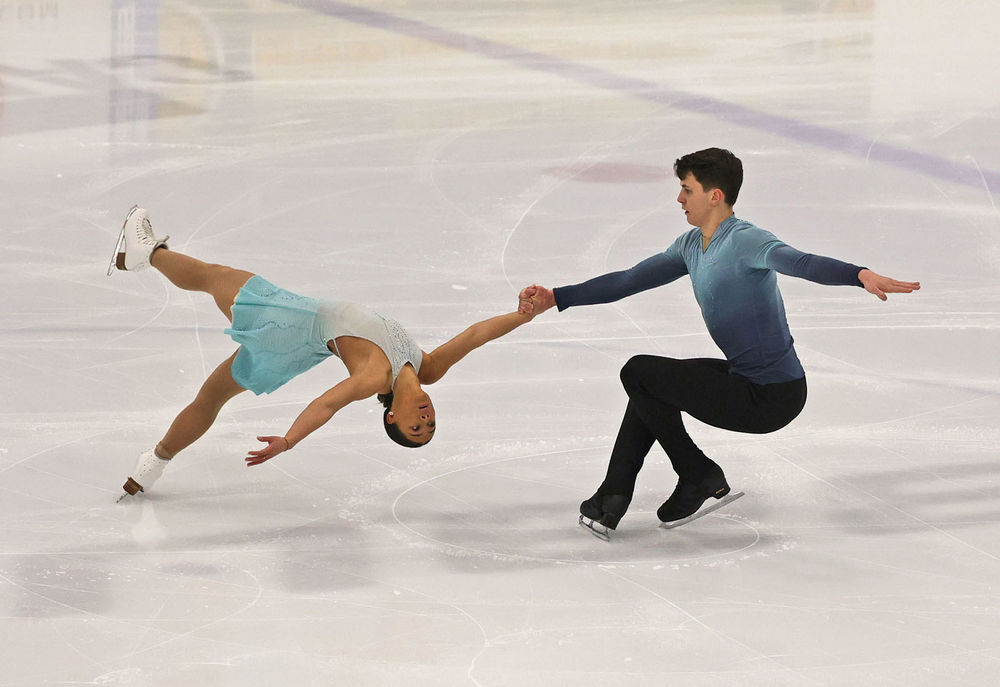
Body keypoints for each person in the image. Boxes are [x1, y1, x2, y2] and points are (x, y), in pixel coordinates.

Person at [519, 148, 920, 539]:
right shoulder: (690, 246)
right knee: (648, 388)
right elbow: (628, 280)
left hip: (772, 397)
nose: (679, 199)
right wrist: (557, 297)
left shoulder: (748, 241)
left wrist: (859, 275)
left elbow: (801, 262)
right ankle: (613, 497)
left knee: (639, 372)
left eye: (687, 189)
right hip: (744, 380)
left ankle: (695, 472)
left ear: (714, 195)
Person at [109, 206, 534, 501]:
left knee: (213, 276)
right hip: (297, 342)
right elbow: (475, 335)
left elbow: (326, 404)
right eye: (431, 424)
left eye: (415, 428)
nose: (425, 419)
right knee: (210, 398)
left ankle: (147, 252)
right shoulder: (428, 367)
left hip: (288, 324)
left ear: (391, 417)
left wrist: (289, 441)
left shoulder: (374, 377)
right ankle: (152, 465)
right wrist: (523, 315)